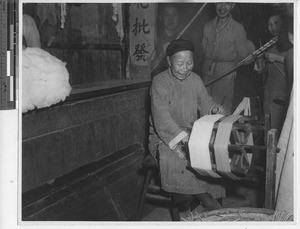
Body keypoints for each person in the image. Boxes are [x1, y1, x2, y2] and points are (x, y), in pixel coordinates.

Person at [149, 38, 225, 214]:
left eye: (189, 63)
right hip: (164, 137)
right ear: (169, 62)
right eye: (180, 63)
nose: (185, 68)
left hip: (191, 132)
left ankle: (203, 195)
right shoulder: (159, 82)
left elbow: (205, 101)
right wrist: (184, 141)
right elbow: (162, 120)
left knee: (214, 152)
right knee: (178, 159)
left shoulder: (195, 79)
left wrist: (213, 108)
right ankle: (201, 197)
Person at [201, 2, 255, 115]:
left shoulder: (238, 28)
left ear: (233, 5)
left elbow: (245, 56)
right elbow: (204, 50)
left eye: (227, 4)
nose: (222, 8)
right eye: (219, 3)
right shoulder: (207, 26)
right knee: (204, 108)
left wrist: (250, 49)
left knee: (222, 110)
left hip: (226, 73)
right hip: (207, 72)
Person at [260, 11, 292, 134]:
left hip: (281, 94)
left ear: (283, 23)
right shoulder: (271, 44)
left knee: (279, 129)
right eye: (270, 24)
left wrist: (276, 58)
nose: (273, 27)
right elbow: (265, 71)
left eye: (276, 23)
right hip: (269, 93)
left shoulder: (291, 43)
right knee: (268, 127)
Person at [151, 4, 181, 77]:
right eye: (167, 15)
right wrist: (162, 54)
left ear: (178, 18)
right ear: (161, 18)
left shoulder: (183, 40)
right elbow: (147, 70)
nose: (171, 18)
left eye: (174, 15)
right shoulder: (152, 39)